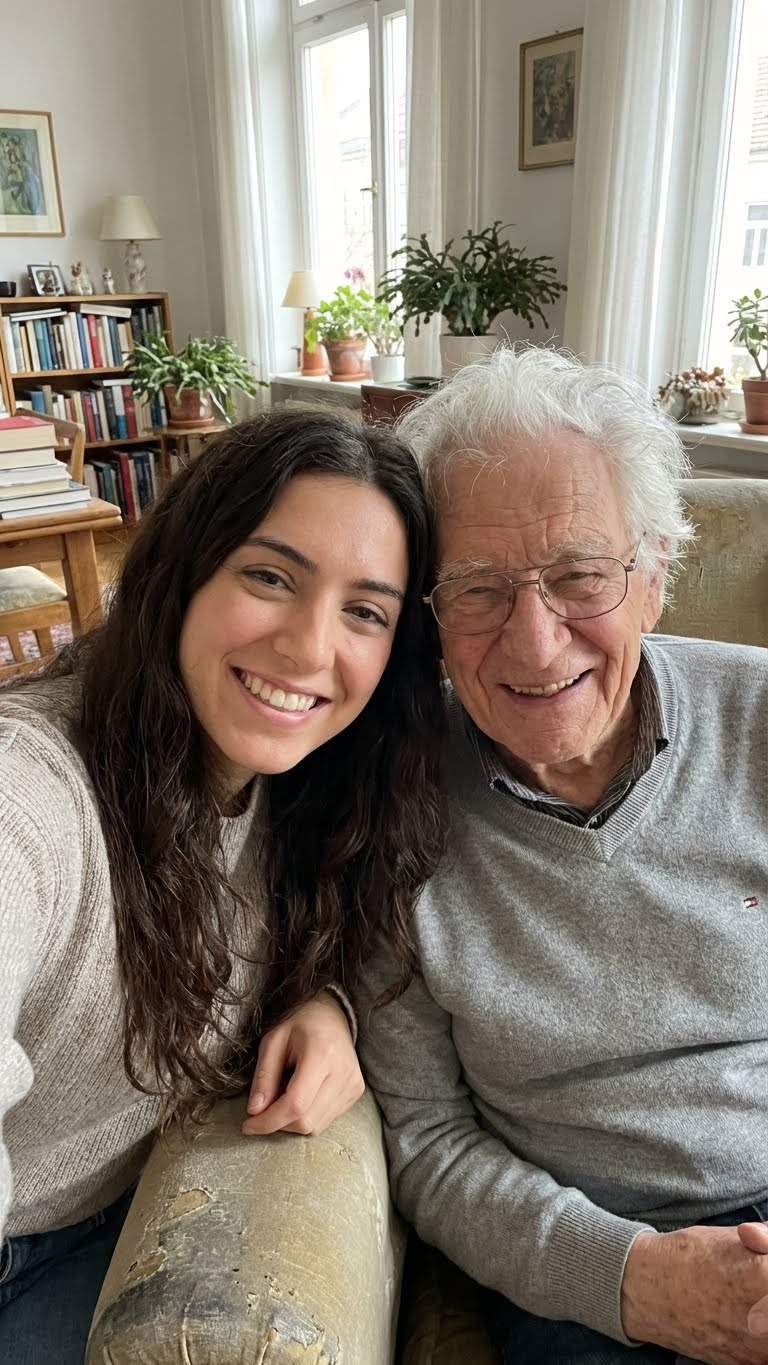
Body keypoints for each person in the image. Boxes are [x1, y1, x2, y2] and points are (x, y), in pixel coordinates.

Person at [0, 407, 444, 1364]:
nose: (309, 648)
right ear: (182, 571)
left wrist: (329, 1001)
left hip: (111, 1234)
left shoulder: (314, 786)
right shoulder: (31, 789)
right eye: (270, 576)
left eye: (365, 611)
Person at [357, 347, 768, 1365]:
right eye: (478, 590)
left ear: (654, 578)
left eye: (579, 577)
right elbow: (428, 1141)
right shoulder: (387, 808)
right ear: (429, 617)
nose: (537, 644)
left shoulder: (760, 719)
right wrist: (629, 1281)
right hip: (582, 1274)